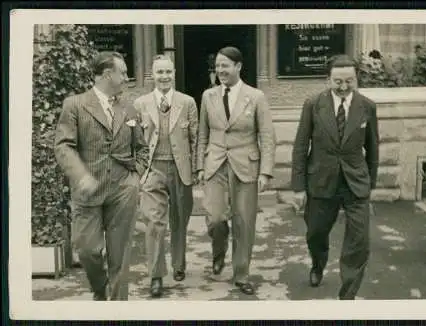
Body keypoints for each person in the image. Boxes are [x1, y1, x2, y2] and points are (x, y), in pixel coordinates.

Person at [54, 51, 149, 301]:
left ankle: (118, 309)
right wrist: (80, 176)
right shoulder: (74, 104)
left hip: (123, 190)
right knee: (87, 250)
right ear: (108, 75)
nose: (127, 77)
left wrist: (135, 176)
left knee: (120, 255)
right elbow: (63, 146)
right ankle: (100, 289)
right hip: (88, 190)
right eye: (124, 72)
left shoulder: (129, 107)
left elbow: (141, 147)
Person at [291, 54, 380, 300]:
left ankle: (348, 294)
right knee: (316, 233)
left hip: (355, 183)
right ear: (327, 79)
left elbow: (373, 148)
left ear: (356, 78)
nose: (343, 87)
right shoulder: (313, 104)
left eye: (349, 81)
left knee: (359, 241)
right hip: (320, 180)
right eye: (337, 81)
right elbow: (300, 146)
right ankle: (318, 264)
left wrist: (370, 184)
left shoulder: (368, 106)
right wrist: (298, 187)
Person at [196, 46, 276, 295]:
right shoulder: (208, 96)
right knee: (216, 218)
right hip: (215, 164)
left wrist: (265, 172)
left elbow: (267, 136)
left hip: (246, 166)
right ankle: (218, 252)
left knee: (244, 222)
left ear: (238, 67)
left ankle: (241, 273)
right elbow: (202, 135)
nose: (220, 70)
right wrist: (200, 165)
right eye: (217, 66)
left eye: (225, 65)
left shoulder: (256, 97)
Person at [134, 55, 199, 298]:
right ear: (152, 74)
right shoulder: (140, 104)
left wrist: (197, 169)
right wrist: (139, 170)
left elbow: (196, 138)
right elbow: (135, 141)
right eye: (160, 72)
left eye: (168, 72)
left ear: (174, 74)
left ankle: (179, 264)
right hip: (153, 170)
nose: (164, 77)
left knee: (180, 219)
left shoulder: (188, 102)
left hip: (181, 170)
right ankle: (156, 275)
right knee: (154, 224)